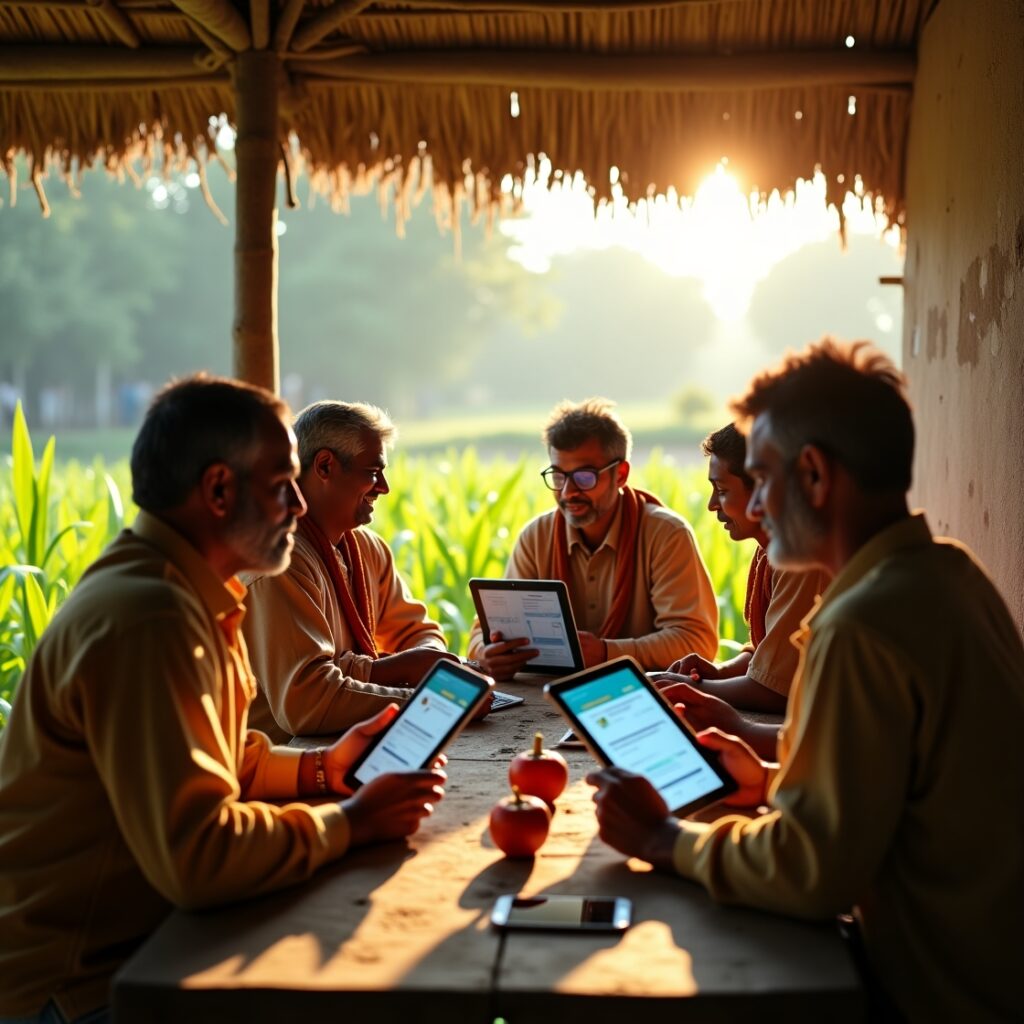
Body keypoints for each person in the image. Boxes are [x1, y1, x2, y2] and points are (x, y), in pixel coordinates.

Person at [587, 339, 1024, 1021]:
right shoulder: (949, 575)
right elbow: (914, 779)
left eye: (759, 479)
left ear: (815, 475)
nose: (753, 508)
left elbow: (809, 871)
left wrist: (662, 841)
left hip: (941, 993)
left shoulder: (861, 624)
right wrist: (774, 769)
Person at [0, 377, 446, 1023]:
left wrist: (321, 769)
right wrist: (351, 823)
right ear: (217, 490)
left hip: (134, 945)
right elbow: (200, 859)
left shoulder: (179, 590)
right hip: (85, 982)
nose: (298, 504)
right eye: (282, 484)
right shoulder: (150, 617)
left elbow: (214, 756)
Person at [243, 401, 461, 742]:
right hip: (285, 766)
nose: (384, 487)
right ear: (325, 466)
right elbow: (308, 703)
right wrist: (426, 697)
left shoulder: (368, 548)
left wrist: (427, 663)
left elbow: (416, 634)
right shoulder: (278, 562)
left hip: (352, 741)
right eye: (372, 472)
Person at [467, 397, 718, 678]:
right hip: (546, 697)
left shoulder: (666, 535)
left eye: (584, 477)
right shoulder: (535, 537)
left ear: (621, 474)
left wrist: (605, 653)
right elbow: (483, 633)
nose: (568, 492)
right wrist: (487, 654)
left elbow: (696, 642)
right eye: (559, 476)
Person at [653, 424, 827, 758]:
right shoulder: (768, 552)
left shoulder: (800, 557)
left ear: (765, 491)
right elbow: (768, 656)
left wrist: (693, 688)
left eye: (721, 490)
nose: (710, 505)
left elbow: (775, 688)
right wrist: (719, 672)